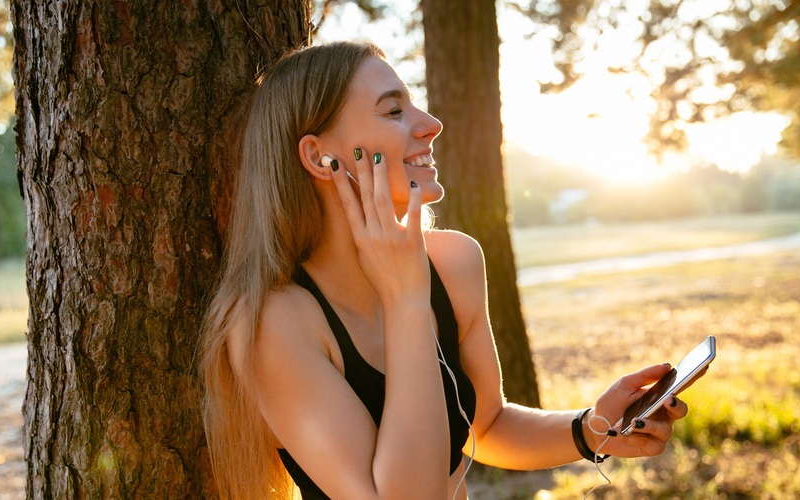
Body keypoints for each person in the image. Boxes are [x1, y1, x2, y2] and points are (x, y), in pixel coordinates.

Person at [200, 40, 690, 499]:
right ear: (319, 157)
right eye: (394, 111)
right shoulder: (273, 323)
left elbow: (487, 427)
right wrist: (405, 299)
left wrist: (592, 428)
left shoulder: (454, 262)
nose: (431, 123)